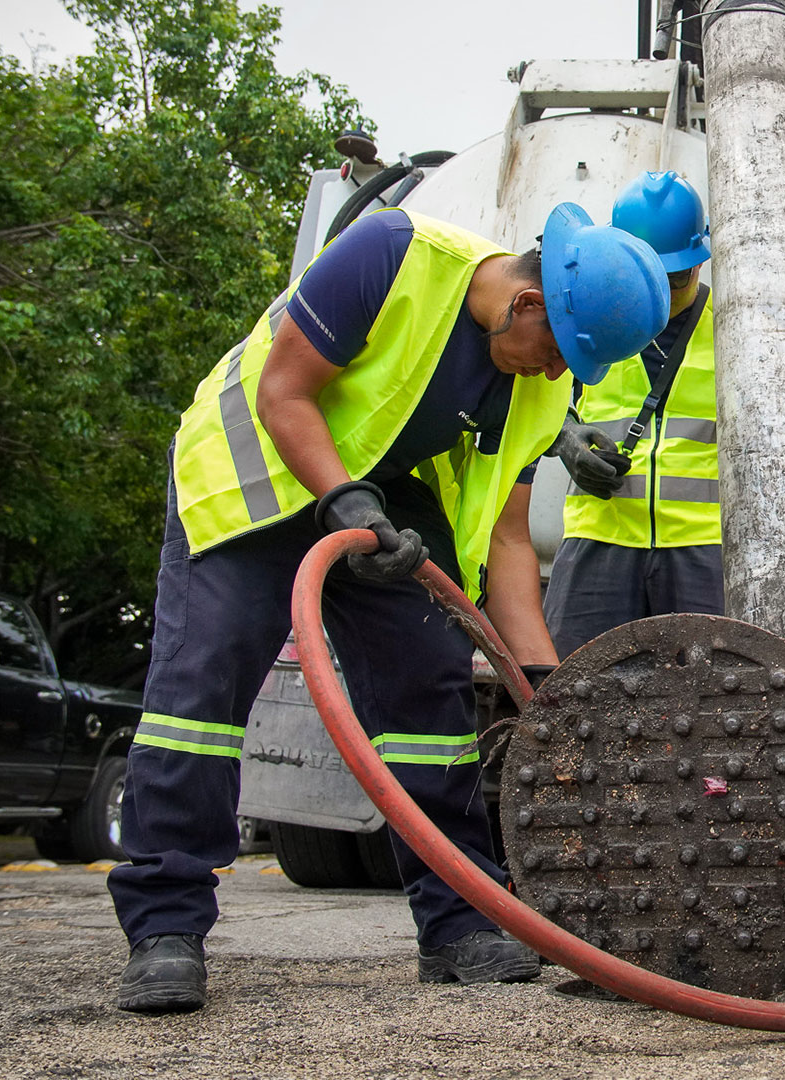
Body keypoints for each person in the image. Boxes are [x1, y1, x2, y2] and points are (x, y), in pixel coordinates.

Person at [108, 203, 669, 1013]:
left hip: (380, 502)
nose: (555, 375)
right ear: (527, 303)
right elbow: (285, 391)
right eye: (555, 352)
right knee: (203, 687)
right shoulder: (391, 254)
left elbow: (511, 543)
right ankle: (165, 926)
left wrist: (538, 678)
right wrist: (340, 499)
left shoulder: (537, 395)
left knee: (427, 688)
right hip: (256, 472)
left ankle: (460, 923)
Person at [542, 171, 721, 656]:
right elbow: (538, 398)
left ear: (700, 262)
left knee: (718, 710)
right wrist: (566, 440)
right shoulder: (586, 313)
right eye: (649, 277)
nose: (663, 292)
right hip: (598, 536)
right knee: (572, 704)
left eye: (676, 277)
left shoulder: (733, 330)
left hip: (703, 547)